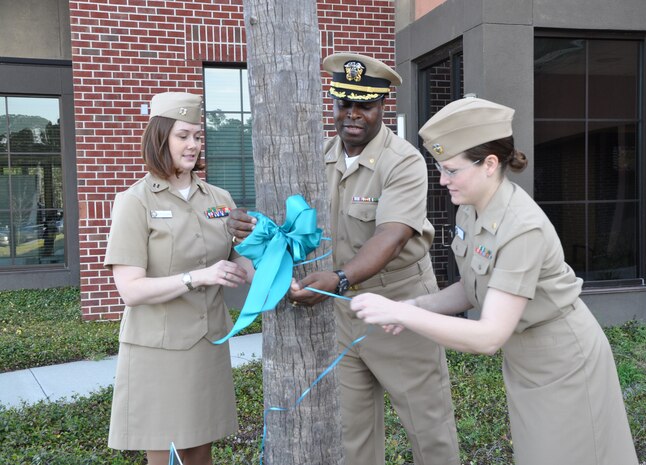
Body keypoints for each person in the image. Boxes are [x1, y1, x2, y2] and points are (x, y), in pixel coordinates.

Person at [350, 96, 640, 465]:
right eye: (440, 168)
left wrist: (404, 316)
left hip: (564, 363)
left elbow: (488, 337)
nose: (442, 180)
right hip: (527, 361)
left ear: (489, 164)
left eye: (452, 170)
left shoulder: (522, 228)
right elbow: (473, 287)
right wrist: (413, 305)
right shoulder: (472, 209)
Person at [227, 53, 460, 465]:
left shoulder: (402, 161)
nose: (352, 115)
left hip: (400, 308)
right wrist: (254, 229)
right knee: (352, 434)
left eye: (364, 105)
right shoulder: (319, 156)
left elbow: (391, 234)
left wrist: (338, 277)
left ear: (381, 106)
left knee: (428, 428)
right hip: (341, 310)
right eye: (343, 103)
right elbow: (293, 225)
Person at [104, 92, 253, 465]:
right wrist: (198, 276)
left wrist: (266, 250)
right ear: (160, 138)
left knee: (200, 450)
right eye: (182, 136)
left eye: (198, 136)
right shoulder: (135, 201)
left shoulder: (218, 198)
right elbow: (130, 290)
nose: (192, 145)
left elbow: (243, 264)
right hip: (160, 347)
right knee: (169, 453)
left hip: (207, 342)